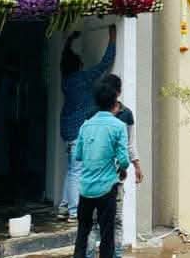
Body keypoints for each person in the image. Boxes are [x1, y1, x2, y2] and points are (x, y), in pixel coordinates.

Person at [58, 24, 117, 220]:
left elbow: (64, 59)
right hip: (77, 130)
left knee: (71, 169)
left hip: (67, 129)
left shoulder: (66, 80)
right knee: (76, 171)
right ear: (78, 66)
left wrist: (69, 40)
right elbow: (104, 64)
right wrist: (112, 39)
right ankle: (74, 211)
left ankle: (64, 206)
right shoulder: (82, 78)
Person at [72, 75, 130, 258]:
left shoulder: (85, 125)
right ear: (114, 102)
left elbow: (78, 155)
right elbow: (124, 160)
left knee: (83, 232)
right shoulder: (118, 126)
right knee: (107, 234)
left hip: (85, 188)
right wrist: (122, 169)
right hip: (107, 188)